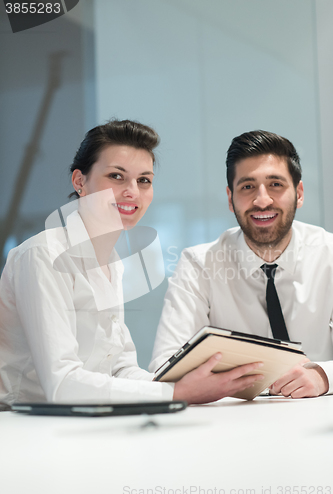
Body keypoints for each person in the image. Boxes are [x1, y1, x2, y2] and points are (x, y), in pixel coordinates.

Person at [0, 119, 264, 406]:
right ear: (80, 182)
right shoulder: (43, 255)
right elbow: (61, 383)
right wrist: (176, 393)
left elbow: (120, 367)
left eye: (144, 180)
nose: (133, 192)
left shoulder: (113, 263)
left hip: (85, 420)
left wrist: (186, 384)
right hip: (22, 427)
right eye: (116, 176)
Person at [150, 130, 333, 399]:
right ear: (229, 197)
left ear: (299, 193)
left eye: (276, 185)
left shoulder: (329, 255)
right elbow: (164, 368)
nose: (262, 200)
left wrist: (324, 376)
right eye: (247, 187)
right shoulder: (198, 265)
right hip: (231, 423)